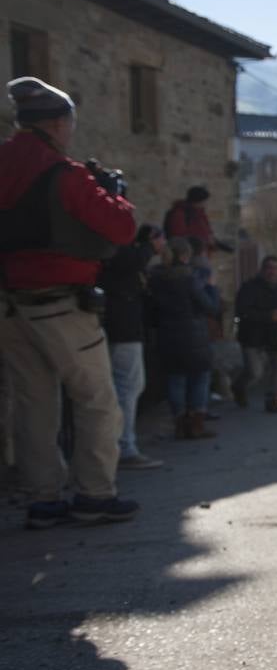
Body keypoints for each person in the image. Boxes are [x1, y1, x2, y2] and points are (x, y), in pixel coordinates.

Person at [0, 76, 140, 528]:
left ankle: (44, 500)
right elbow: (121, 228)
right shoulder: (66, 174)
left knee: (33, 404)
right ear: (59, 123)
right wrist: (112, 192)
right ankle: (95, 494)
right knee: (97, 400)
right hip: (60, 305)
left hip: (9, 305)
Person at [99, 224, 166, 468]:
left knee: (124, 386)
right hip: (123, 327)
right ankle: (123, 447)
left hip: (121, 325)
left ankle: (117, 445)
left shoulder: (109, 249)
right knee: (127, 386)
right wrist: (149, 246)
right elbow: (130, 261)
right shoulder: (117, 248)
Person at [148, 237, 220, 439]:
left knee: (175, 379)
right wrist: (212, 288)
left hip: (167, 336)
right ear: (185, 256)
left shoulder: (155, 279)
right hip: (194, 336)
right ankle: (196, 423)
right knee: (200, 377)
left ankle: (180, 424)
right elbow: (211, 307)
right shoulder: (190, 279)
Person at [232, 256, 277, 413]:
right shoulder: (249, 288)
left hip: (274, 334)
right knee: (254, 371)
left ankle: (273, 398)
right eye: (268, 267)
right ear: (262, 270)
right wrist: (268, 316)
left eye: (275, 268)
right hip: (251, 335)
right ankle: (239, 387)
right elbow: (242, 311)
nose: (272, 271)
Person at [163, 185, 226, 257]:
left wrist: (211, 242)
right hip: (186, 255)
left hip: (200, 254)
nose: (205, 204)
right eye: (204, 201)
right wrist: (204, 240)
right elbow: (179, 237)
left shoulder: (200, 214)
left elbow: (206, 231)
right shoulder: (179, 214)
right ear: (197, 201)